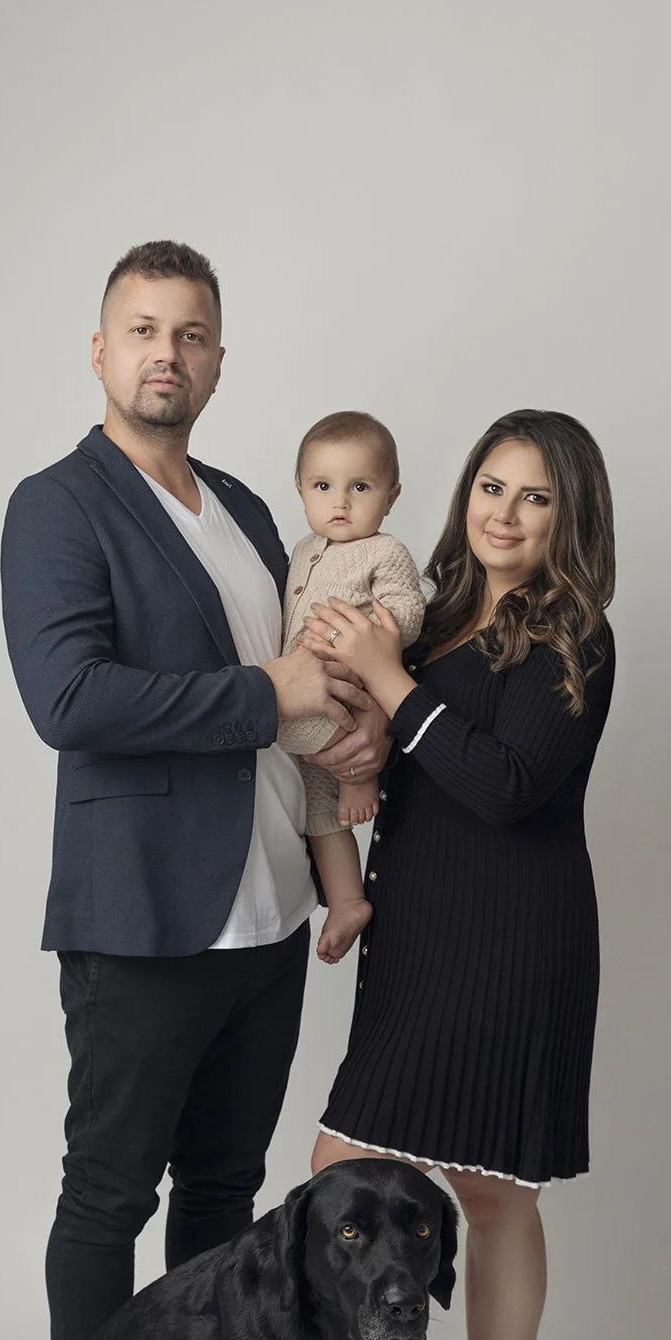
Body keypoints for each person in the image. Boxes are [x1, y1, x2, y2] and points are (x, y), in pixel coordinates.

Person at [0, 240, 388, 1340]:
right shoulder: (58, 506)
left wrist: (350, 728)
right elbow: (69, 698)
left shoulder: (251, 512)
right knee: (110, 1198)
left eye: (190, 334)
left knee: (224, 1198)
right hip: (146, 922)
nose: (166, 353)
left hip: (269, 917)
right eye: (143, 329)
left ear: (217, 362)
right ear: (100, 351)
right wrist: (268, 694)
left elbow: (301, 681)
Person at [294, 408, 616, 1340]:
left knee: (415, 1177)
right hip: (420, 933)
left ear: (569, 518)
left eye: (534, 497)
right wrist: (361, 752)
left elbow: (507, 784)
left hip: (513, 939)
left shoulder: (575, 634)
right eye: (491, 485)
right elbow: (402, 748)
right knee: (460, 1189)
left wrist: (387, 679)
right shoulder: (430, 607)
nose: (505, 513)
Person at [277, 412, 425, 965]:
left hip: (349, 685)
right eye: (322, 486)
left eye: (359, 487)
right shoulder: (300, 550)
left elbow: (410, 611)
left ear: (390, 496)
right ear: (301, 490)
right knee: (319, 812)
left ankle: (362, 780)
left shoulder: (384, 552)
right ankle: (346, 900)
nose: (340, 501)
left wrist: (367, 632)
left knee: (348, 759)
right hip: (298, 699)